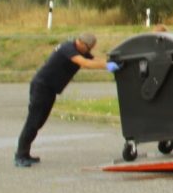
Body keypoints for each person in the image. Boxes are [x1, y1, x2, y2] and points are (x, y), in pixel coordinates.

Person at [14, 32, 119, 167]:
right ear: (80, 42)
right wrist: (107, 66)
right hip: (41, 86)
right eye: (87, 48)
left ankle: (25, 153)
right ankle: (20, 155)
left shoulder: (80, 50)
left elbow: (93, 60)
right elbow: (85, 63)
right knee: (33, 121)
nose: (88, 51)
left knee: (39, 122)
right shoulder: (68, 48)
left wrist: (112, 62)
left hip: (50, 89)